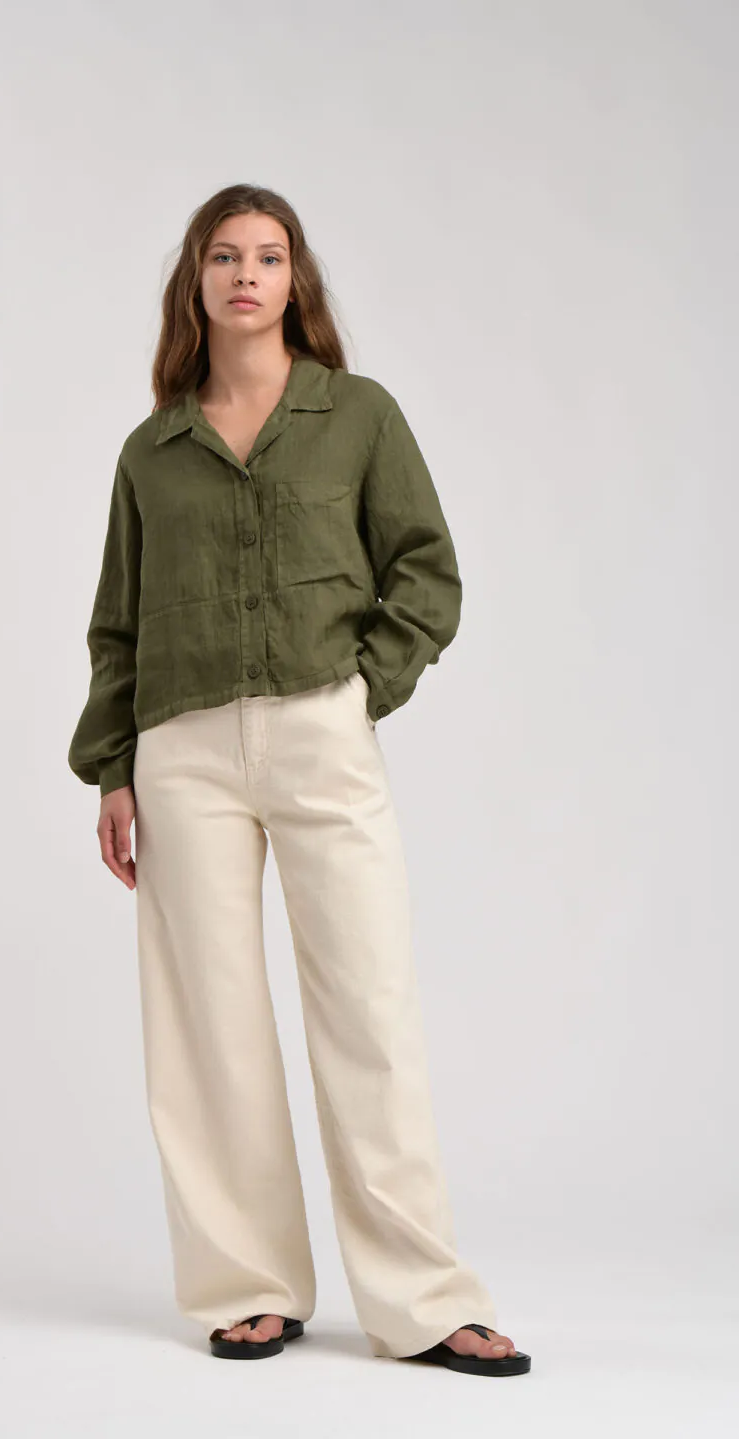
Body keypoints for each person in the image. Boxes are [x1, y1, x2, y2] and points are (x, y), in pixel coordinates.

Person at [67, 183, 531, 1377]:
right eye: (225, 256)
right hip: (182, 754)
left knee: (369, 1010)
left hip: (323, 730)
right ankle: (249, 1286)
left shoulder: (356, 415)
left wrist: (363, 689)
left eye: (268, 257)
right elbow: (118, 626)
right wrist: (113, 770)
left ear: (294, 282)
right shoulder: (152, 452)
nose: (246, 275)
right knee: (209, 1027)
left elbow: (425, 569)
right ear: (197, 280)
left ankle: (421, 1300)